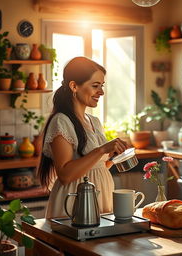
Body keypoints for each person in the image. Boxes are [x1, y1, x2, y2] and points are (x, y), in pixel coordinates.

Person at [37, 56, 128, 218]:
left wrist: (112, 158)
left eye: (102, 86)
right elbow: (65, 175)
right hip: (75, 201)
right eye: (95, 86)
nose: (101, 92)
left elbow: (95, 168)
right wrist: (101, 150)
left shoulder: (94, 121)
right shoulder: (61, 121)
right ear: (74, 86)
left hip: (101, 196)